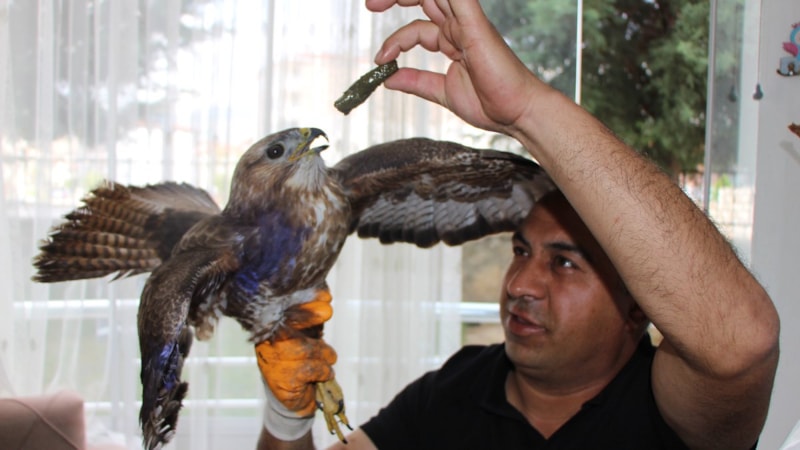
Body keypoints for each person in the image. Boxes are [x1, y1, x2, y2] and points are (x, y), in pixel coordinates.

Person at [257, 1, 780, 449]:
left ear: (637, 305)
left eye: (565, 263)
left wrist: (525, 110)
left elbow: (741, 342)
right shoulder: (452, 393)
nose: (519, 285)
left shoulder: (667, 408)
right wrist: (287, 410)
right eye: (520, 251)